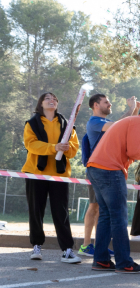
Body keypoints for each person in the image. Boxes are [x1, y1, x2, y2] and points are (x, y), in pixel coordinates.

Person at [86, 103, 140, 273]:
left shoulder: (131, 121)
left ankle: (101, 260)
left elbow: (129, 149)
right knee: (119, 216)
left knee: (106, 215)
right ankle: (124, 262)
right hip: (110, 170)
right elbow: (134, 152)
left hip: (95, 168)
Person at [22, 92, 82, 263]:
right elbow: (31, 144)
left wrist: (66, 148)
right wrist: (54, 147)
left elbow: (73, 148)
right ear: (41, 103)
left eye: (55, 99)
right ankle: (36, 246)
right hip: (35, 172)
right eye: (47, 98)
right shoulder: (32, 123)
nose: (52, 100)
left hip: (59, 174)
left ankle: (67, 250)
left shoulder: (67, 124)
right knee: (36, 210)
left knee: (61, 212)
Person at [80, 93, 139, 256]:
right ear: (96, 105)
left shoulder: (105, 123)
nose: (110, 104)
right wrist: (131, 109)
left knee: (102, 209)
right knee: (94, 206)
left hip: (107, 169)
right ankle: (86, 245)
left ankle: (101, 245)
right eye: (106, 102)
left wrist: (134, 111)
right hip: (98, 170)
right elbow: (117, 126)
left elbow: (123, 126)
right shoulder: (94, 122)